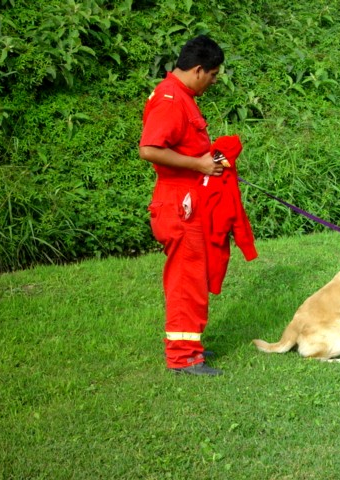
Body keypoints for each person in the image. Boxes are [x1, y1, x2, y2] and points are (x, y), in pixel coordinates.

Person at [138, 35, 235, 376]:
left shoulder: (181, 96)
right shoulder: (171, 100)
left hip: (186, 199)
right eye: (213, 75)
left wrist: (211, 161)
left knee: (193, 277)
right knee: (185, 280)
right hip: (178, 202)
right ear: (198, 70)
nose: (213, 81)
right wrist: (199, 165)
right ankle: (183, 357)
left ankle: (190, 345)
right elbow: (149, 149)